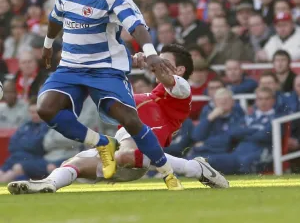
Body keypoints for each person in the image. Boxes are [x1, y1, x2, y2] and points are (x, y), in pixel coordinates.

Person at [37, 0, 183, 190]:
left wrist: (150, 52)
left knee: (130, 120)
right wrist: (48, 44)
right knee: (45, 108)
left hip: (105, 68)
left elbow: (136, 26)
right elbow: (55, 18)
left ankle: (168, 173)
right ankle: (102, 143)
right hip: (71, 66)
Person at [7, 45, 229, 194]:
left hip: (139, 148)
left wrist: (150, 61)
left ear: (179, 69)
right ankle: (48, 184)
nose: (157, 62)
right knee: (75, 163)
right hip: (125, 144)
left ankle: (195, 168)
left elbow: (165, 77)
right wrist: (129, 62)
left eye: (163, 60)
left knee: (124, 153)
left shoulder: (181, 88)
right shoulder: (153, 94)